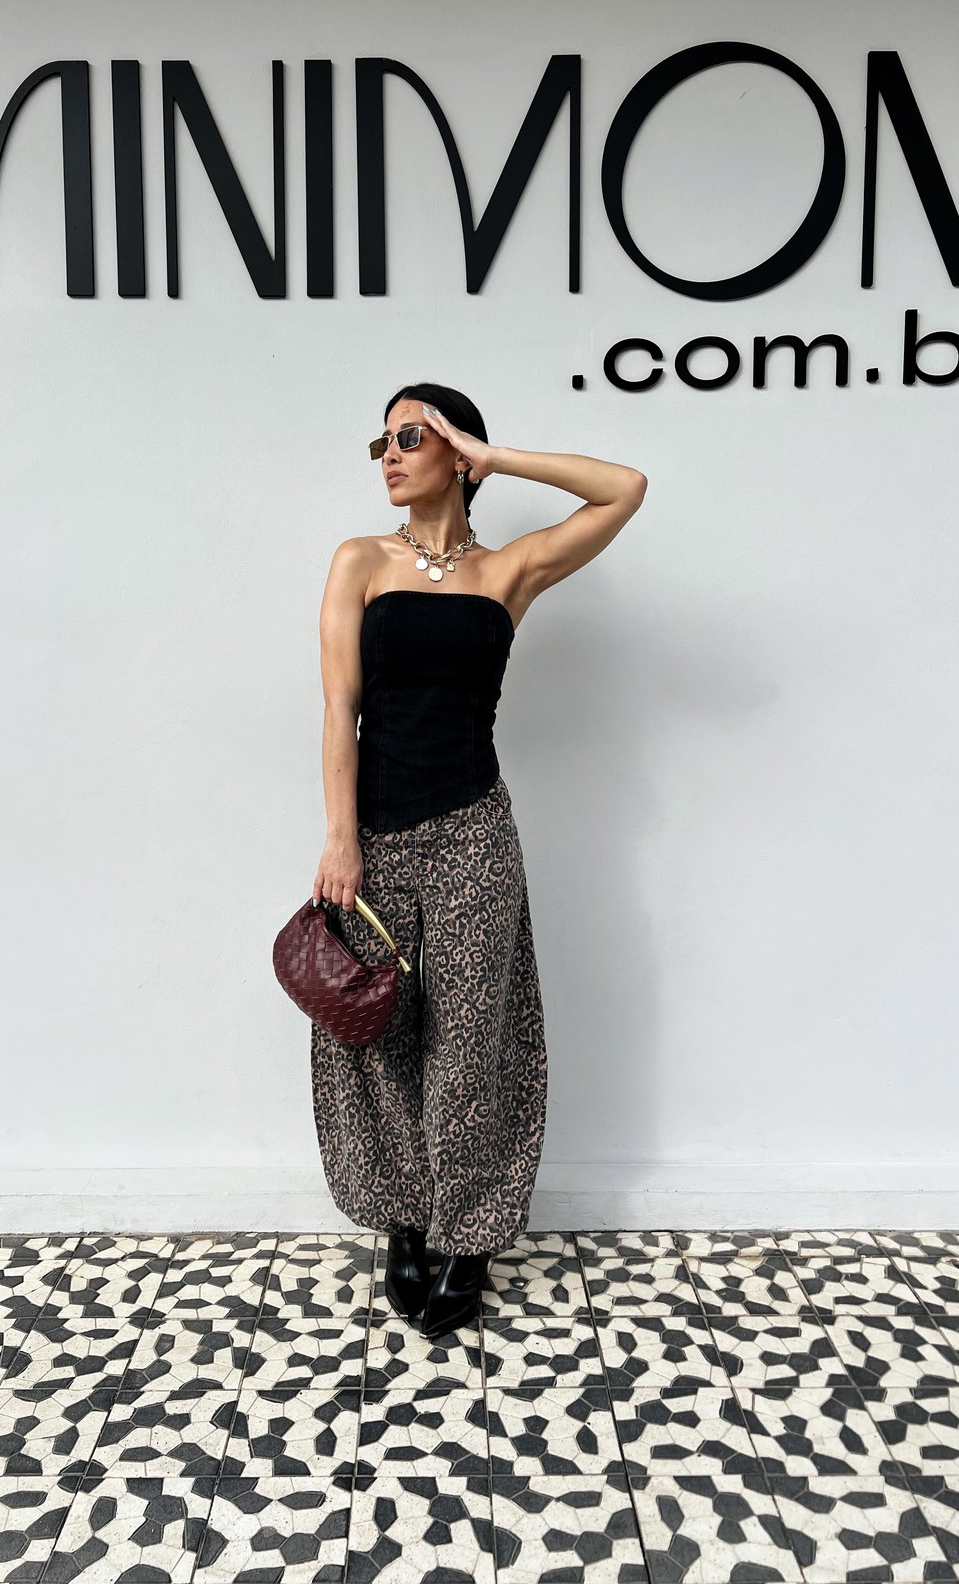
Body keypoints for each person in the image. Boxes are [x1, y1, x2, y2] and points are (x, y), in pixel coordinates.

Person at [309, 382, 647, 1341]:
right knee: (377, 1035)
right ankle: (405, 1221)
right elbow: (339, 708)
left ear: (456, 451)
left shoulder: (508, 571)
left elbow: (623, 487)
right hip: (374, 835)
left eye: (409, 436)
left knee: (471, 1041)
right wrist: (340, 836)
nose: (388, 453)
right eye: (380, 440)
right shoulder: (359, 559)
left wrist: (496, 458)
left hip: (472, 830)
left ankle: (468, 1238)